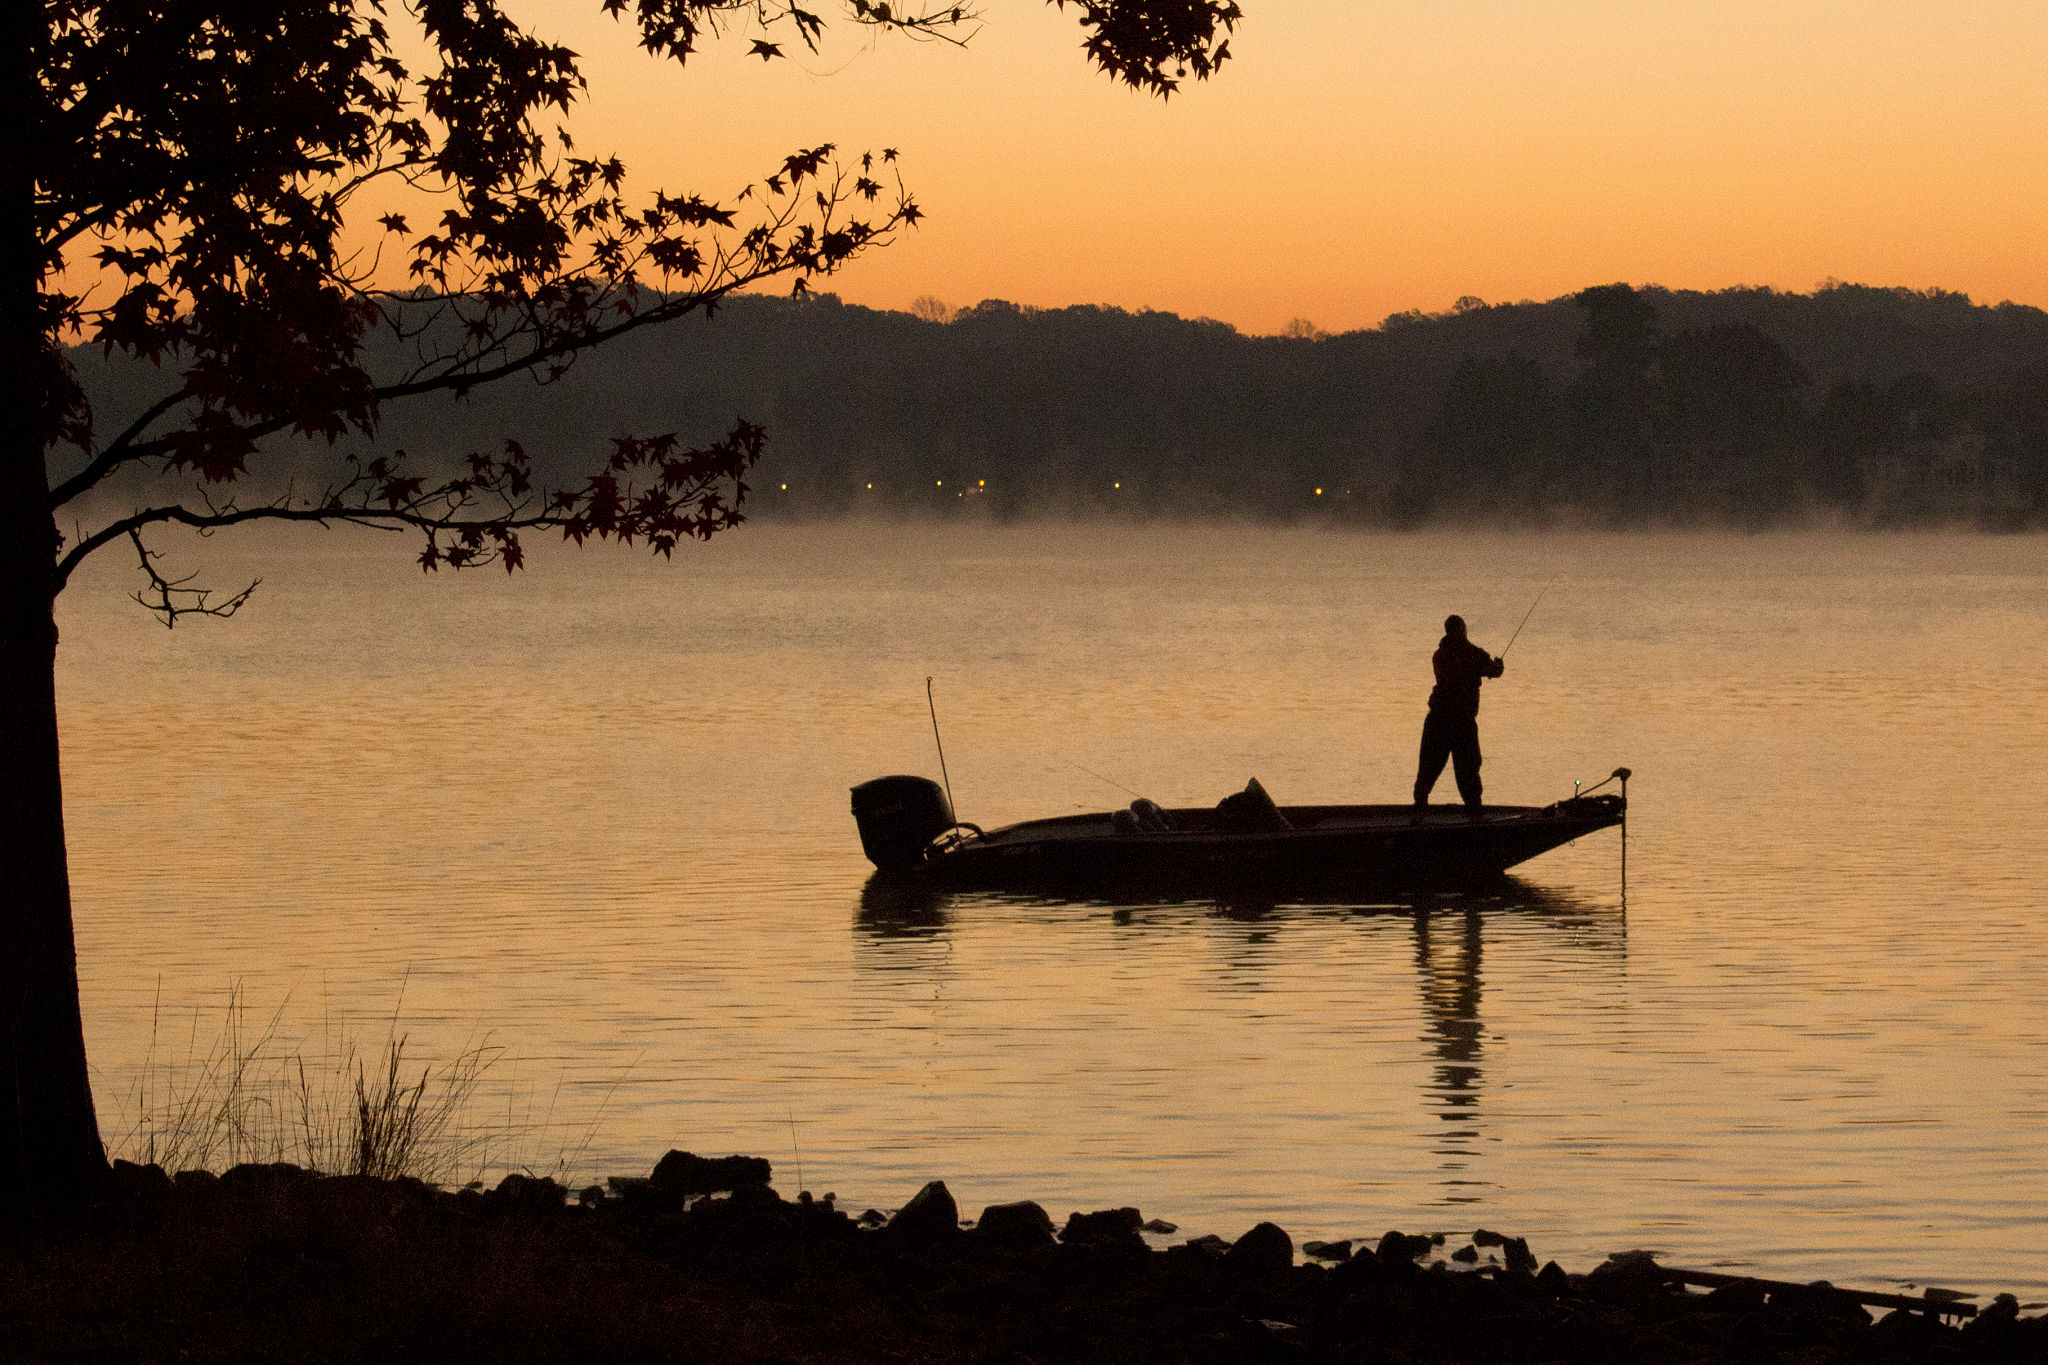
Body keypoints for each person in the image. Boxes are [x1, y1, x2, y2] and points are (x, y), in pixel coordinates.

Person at [1413, 614, 1504, 818]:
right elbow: (1449, 677)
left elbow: (1492, 671)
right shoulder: (1441, 655)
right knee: (1429, 768)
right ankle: (1420, 809)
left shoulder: (1475, 654)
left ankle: (1474, 811)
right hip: (1441, 720)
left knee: (1468, 770)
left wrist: (1497, 668)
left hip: (1462, 722)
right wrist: (1481, 669)